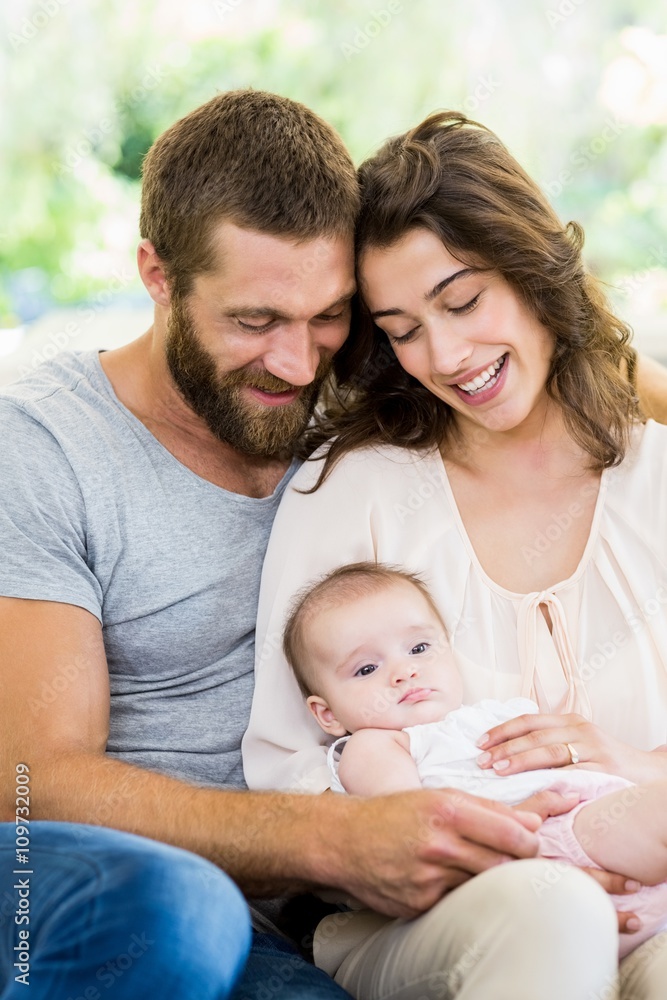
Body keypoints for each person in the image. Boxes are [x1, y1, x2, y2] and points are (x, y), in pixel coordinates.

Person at [1, 90, 591, 1000]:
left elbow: (560, 360)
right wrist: (330, 839)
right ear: (156, 275)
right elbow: (27, 791)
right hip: (103, 892)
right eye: (254, 322)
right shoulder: (43, 448)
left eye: (329, 318)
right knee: (181, 913)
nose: (297, 362)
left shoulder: (353, 404)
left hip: (293, 925)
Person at [243, 110, 667, 999]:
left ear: (531, 269)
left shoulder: (653, 474)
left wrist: (631, 772)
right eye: (400, 328)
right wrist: (498, 852)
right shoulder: (352, 487)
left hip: (649, 896)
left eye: (463, 301)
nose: (445, 355)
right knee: (554, 910)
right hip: (428, 921)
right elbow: (287, 769)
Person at [283, 559, 667, 979]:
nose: (405, 671)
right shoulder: (374, 744)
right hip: (530, 848)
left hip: (595, 818)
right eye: (367, 669)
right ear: (327, 715)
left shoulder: (501, 712)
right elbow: (412, 821)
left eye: (419, 648)